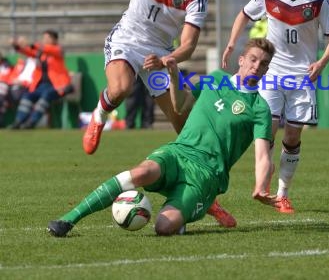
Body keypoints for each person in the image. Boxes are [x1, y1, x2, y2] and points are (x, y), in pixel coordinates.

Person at [47, 38, 278, 237]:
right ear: (241, 60)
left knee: (163, 227)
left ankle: (201, 204)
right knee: (141, 173)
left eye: (263, 64)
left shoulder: (259, 109)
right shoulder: (214, 78)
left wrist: (260, 185)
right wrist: (174, 75)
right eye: (253, 59)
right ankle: (68, 220)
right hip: (179, 152)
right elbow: (180, 104)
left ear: (267, 70)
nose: (257, 67)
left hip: (207, 175)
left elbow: (262, 156)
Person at [61, 0, 206, 155]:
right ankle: (99, 115)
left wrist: (166, 59)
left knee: (181, 120)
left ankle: (201, 174)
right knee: (120, 89)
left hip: (159, 53)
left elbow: (188, 46)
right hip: (126, 40)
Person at [221, 0, 329, 213]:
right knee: (267, 129)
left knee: (292, 137)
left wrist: (322, 62)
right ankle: (261, 185)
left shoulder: (319, 0)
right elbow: (243, 14)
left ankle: (282, 193)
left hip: (302, 77)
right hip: (272, 73)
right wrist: (231, 42)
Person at [10, 30, 73, 129]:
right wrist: (17, 46)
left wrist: (30, 44)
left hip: (57, 86)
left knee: (46, 95)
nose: (44, 40)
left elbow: (45, 48)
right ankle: (18, 121)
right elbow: (28, 51)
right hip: (40, 85)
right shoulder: (42, 53)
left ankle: (31, 123)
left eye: (47, 38)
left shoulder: (58, 50)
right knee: (28, 96)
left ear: (54, 39)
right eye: (44, 38)